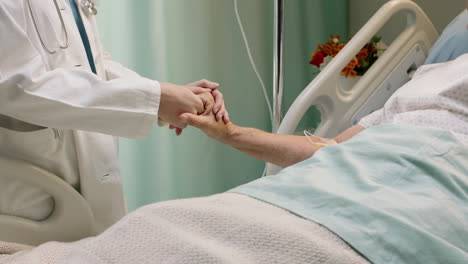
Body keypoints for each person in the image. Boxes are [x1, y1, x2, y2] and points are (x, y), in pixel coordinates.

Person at [1, 52, 466, 264]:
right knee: (161, 227)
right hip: (311, 193)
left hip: (435, 189)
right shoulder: (432, 75)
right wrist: (231, 133)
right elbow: (331, 152)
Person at [0, 0, 228, 233]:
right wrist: (157, 98)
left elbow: (93, 63)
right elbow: (15, 86)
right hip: (33, 197)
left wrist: (164, 96)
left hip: (86, 183)